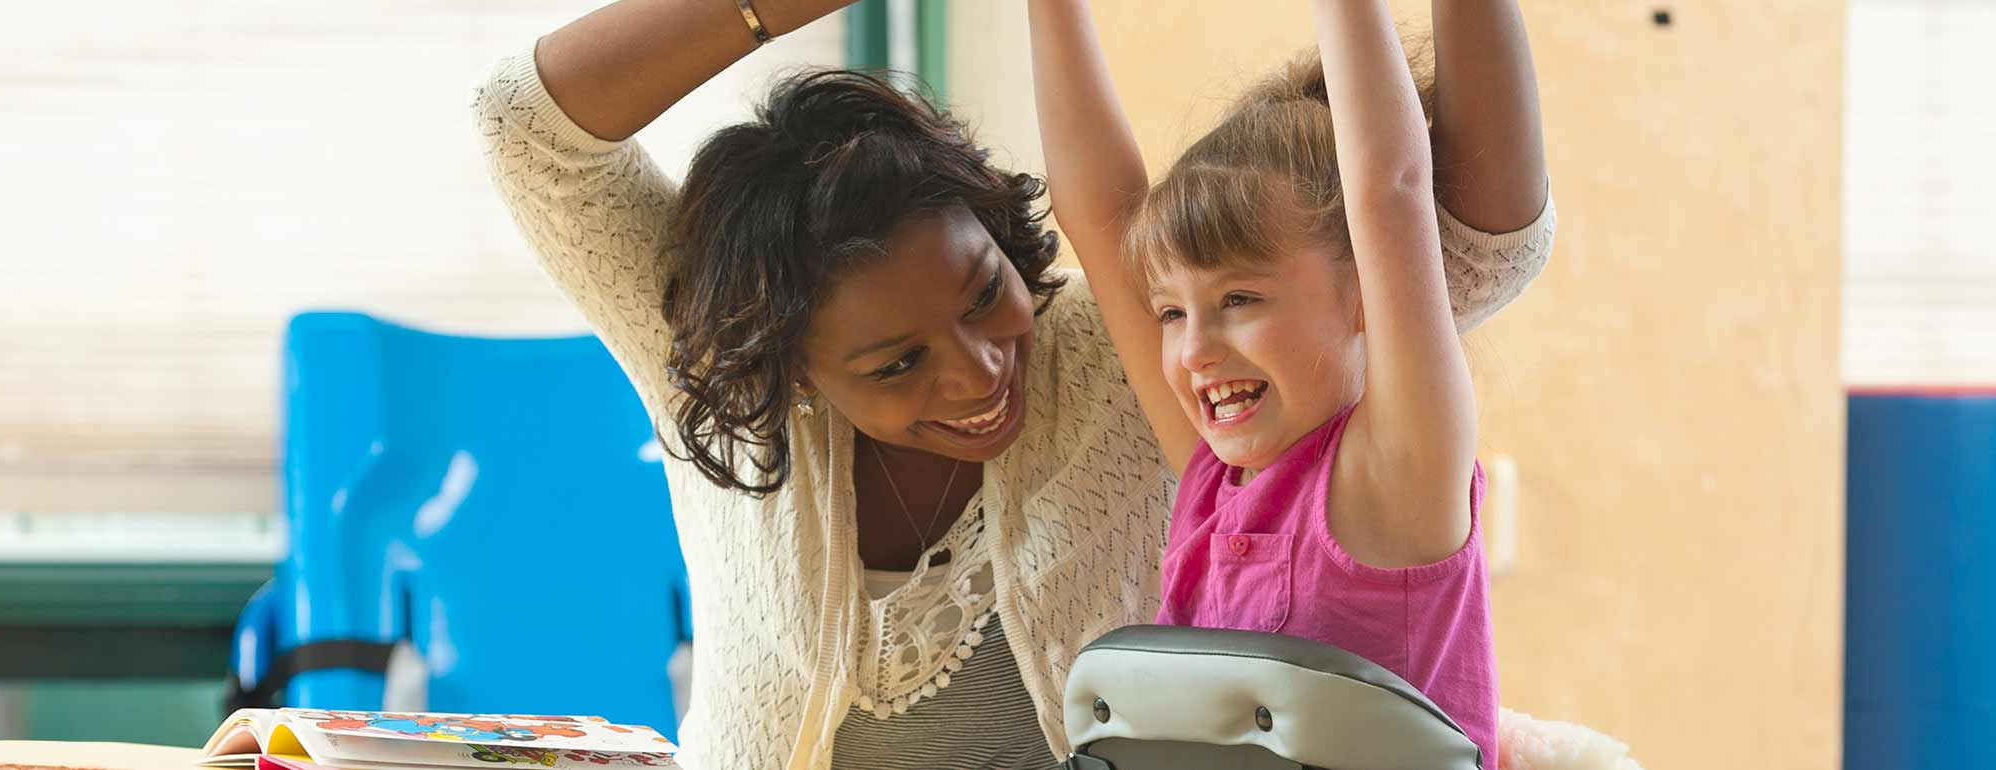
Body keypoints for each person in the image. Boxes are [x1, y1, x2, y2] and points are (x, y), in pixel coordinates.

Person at [472, 0, 1551, 765]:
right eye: (895, 363)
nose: (984, 368)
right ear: (789, 368)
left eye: (987, 291)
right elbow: (525, 126)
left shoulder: (1200, 415)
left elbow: (1410, 208)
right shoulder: (1217, 468)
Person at [1028, 0, 1553, 761]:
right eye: (1172, 312)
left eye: (1240, 299)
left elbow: (1392, 188)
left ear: (1365, 292)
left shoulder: (1395, 474)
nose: (1195, 349)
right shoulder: (1216, 479)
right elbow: (1099, 213)